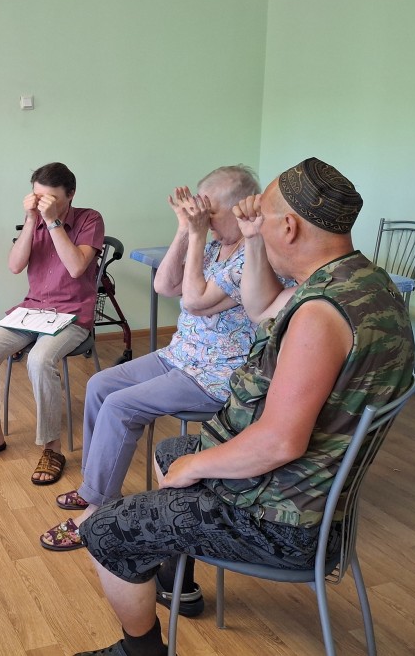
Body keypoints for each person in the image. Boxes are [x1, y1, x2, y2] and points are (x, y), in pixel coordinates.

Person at [73, 158, 415, 656]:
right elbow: (259, 307)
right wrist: (254, 238)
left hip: (281, 519)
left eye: (260, 217)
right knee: (172, 451)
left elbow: (280, 441)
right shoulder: (364, 283)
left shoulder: (320, 315)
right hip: (315, 494)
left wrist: (198, 466)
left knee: (104, 531)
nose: (250, 222)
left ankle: (140, 650)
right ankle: (173, 575)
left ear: (289, 227)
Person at [40, 166, 267, 615]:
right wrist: (185, 229)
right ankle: (97, 487)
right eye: (198, 210)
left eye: (209, 212)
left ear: (240, 209)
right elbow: (165, 284)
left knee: (121, 406)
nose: (203, 218)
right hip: (180, 355)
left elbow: (192, 300)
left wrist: (195, 233)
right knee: (101, 384)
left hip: (214, 374)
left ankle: (93, 511)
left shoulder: (250, 259)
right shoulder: (214, 243)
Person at [0, 162, 104, 485]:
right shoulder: (35, 220)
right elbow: (14, 266)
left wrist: (52, 222)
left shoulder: (89, 219)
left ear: (70, 194)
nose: (43, 204)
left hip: (72, 314)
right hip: (32, 309)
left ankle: (52, 449)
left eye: (51, 198)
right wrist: (30, 220)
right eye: (38, 197)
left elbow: (76, 268)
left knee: (39, 360)